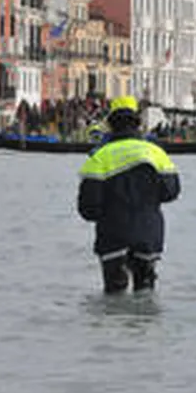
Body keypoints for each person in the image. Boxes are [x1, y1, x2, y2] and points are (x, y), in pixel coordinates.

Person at [77, 95, 181, 294]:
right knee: (145, 294)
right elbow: (171, 192)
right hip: (148, 233)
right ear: (138, 123)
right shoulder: (156, 153)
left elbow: (88, 208)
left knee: (114, 298)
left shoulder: (99, 157)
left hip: (112, 234)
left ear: (111, 125)